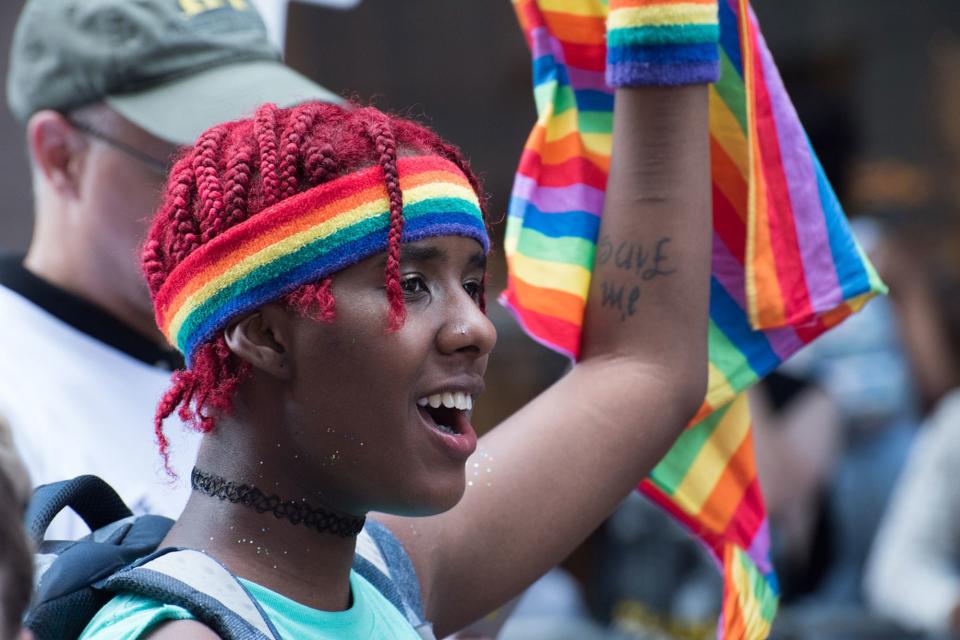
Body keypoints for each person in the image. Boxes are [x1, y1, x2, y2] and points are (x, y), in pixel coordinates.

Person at [76, 1, 716, 634]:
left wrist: (660, 25)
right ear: (266, 334)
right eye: (410, 284)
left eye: (471, 284)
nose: (477, 328)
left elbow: (646, 367)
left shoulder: (382, 573)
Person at [1, 0, 339, 536]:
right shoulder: (14, 391)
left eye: (260, 161)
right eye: (194, 170)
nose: (240, 197)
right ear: (61, 155)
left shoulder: (271, 352)